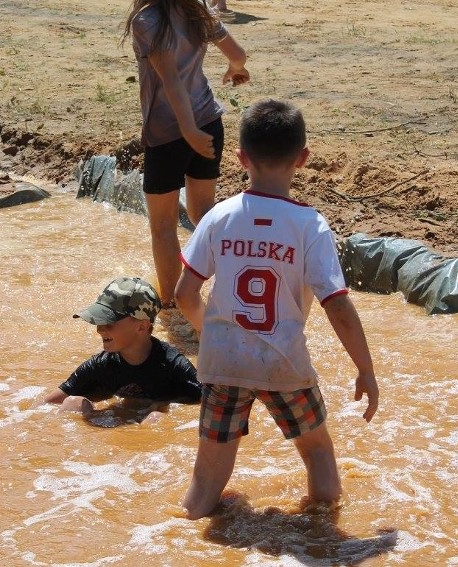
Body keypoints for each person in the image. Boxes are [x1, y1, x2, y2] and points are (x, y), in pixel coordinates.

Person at [173, 99, 380, 519]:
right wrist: (366, 369)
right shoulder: (309, 225)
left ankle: (183, 532)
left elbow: (183, 294)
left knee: (207, 477)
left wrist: (209, 335)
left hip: (223, 363)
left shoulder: (218, 217)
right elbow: (336, 306)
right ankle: (322, 538)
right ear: (303, 159)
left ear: (241, 158)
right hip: (283, 360)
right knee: (318, 451)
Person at [121, 0, 250, 308]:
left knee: (163, 226)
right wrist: (235, 70)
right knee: (203, 213)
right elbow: (238, 54)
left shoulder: (147, 18)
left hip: (169, 134)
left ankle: (171, 308)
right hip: (209, 122)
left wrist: (188, 131)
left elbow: (171, 79)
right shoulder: (197, 8)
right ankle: (233, 289)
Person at [42, 277, 202, 423]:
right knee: (73, 402)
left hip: (147, 437)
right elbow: (47, 403)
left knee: (156, 418)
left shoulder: (173, 365)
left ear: (142, 326)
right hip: (109, 439)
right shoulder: (102, 365)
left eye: (109, 320)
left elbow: (215, 401)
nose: (100, 329)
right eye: (99, 320)